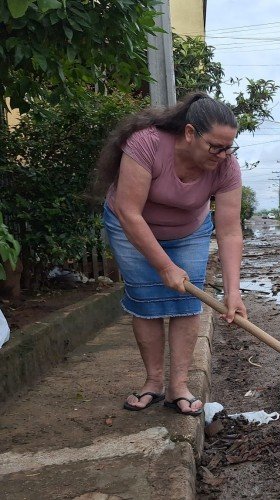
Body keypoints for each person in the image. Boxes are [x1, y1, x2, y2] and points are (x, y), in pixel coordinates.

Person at [95, 92, 247, 416]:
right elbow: (129, 211)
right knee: (145, 299)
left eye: (228, 148)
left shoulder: (226, 168)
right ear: (190, 133)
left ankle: (178, 386)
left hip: (188, 231)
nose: (223, 155)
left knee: (186, 303)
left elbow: (230, 230)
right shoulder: (146, 143)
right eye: (215, 147)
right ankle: (153, 382)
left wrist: (234, 292)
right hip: (130, 225)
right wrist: (164, 266)